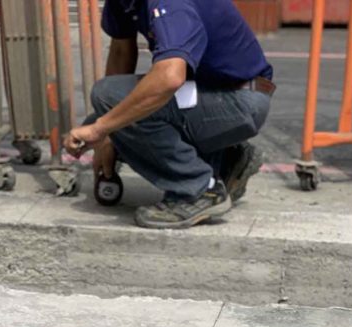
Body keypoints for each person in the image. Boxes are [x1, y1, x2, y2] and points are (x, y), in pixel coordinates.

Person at [65, 0, 275, 229]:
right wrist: (107, 129)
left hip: (239, 99)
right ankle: (227, 160)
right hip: (211, 92)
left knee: (108, 100)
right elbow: (121, 50)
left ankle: (199, 190)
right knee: (106, 113)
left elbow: (170, 77)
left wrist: (102, 128)